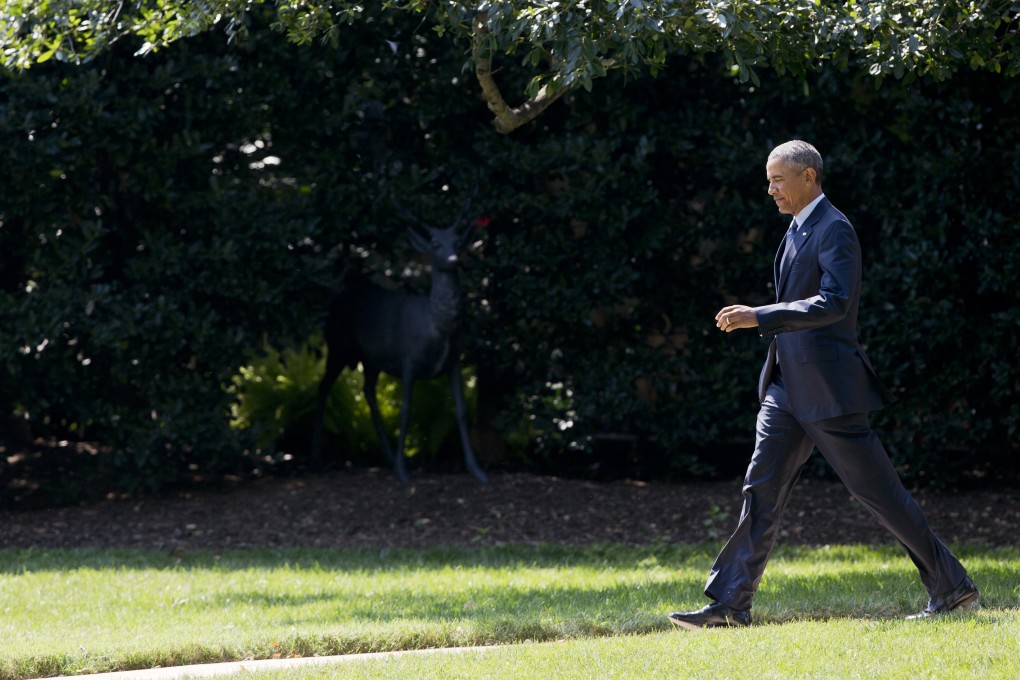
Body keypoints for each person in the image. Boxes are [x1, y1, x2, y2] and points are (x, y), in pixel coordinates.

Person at [668, 140, 977, 629]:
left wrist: (760, 315)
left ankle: (952, 587)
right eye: (769, 180)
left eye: (778, 180)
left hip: (830, 390)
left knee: (878, 493)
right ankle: (730, 604)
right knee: (760, 486)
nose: (770, 190)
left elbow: (833, 302)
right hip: (786, 388)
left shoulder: (836, 229)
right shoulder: (796, 228)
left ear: (808, 177)